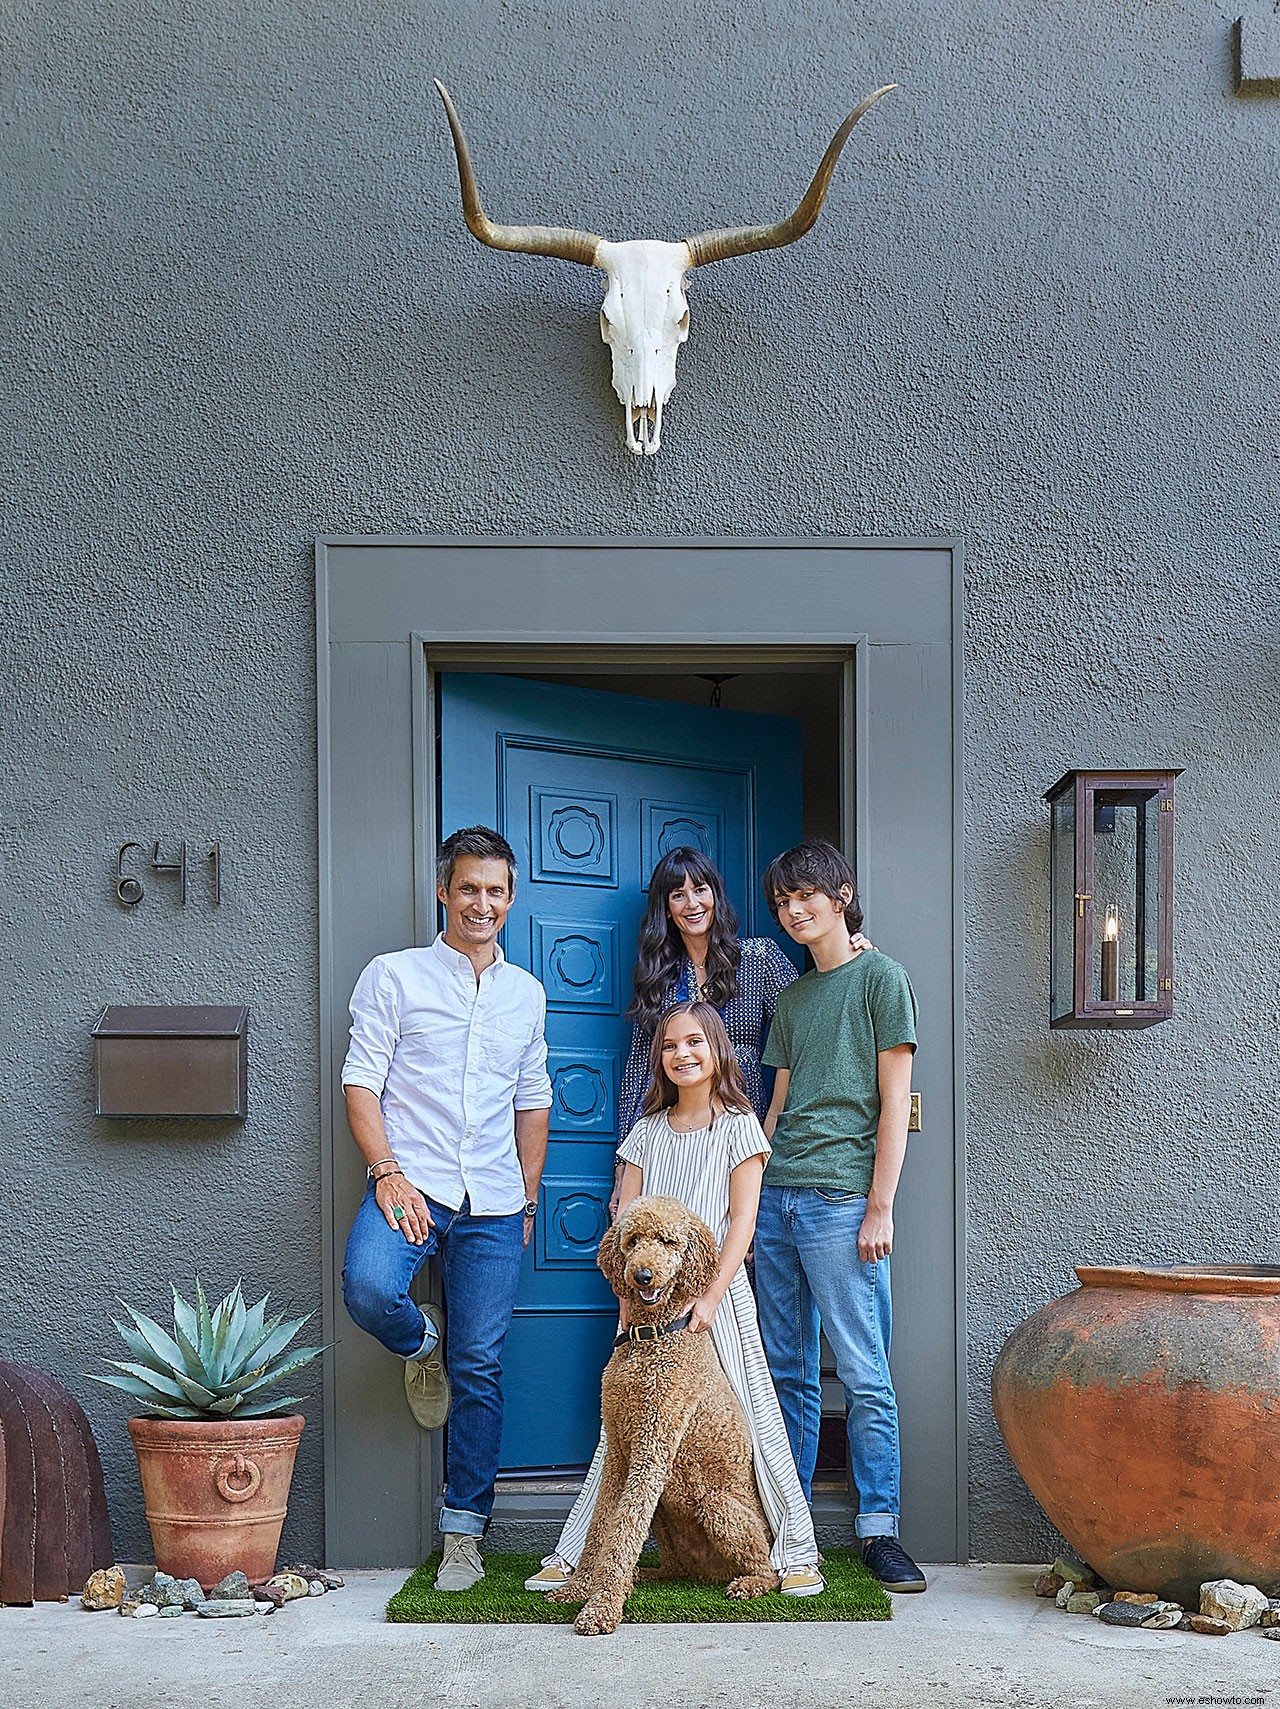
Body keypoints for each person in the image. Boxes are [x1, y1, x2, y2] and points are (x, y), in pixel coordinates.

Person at [525, 1000, 826, 1597]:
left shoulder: (739, 1129)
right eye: (669, 1046)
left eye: (694, 1043)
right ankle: (577, 1552)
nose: (682, 1054)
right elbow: (626, 1222)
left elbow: (742, 1221)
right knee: (623, 1434)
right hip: (645, 1308)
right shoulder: (645, 1133)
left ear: (717, 1051)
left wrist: (710, 1299)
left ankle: (795, 1552)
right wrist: (625, 1315)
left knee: (755, 1419)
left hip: (717, 1301)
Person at [339, 825, 552, 1593]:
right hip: (415, 1183)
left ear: (511, 896)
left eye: (495, 890)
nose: (482, 903)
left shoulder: (526, 993)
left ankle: (464, 1529)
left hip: (495, 1202)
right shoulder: (394, 977)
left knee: (482, 1365)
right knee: (368, 1288)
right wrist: (387, 1171)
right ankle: (419, 1338)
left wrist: (528, 1199)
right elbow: (361, 1081)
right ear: (443, 891)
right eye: (468, 888)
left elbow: (535, 1103)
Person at [755, 839, 927, 1594]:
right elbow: (777, 1107)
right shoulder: (792, 998)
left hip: (841, 1203)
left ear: (841, 895)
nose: (795, 909)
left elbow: (896, 1104)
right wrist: (744, 1181)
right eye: (784, 900)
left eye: (806, 895)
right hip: (777, 1200)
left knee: (864, 1373)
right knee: (786, 1371)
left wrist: (879, 1206)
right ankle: (791, 1524)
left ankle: (880, 1530)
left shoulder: (883, 979)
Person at [611, 847, 869, 1217]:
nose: (691, 903)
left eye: (700, 889)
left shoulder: (758, 958)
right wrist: (623, 1168)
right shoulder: (658, 979)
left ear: (715, 894)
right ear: (666, 908)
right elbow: (639, 1072)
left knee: (738, 1236)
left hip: (741, 1122)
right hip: (672, 1134)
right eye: (678, 895)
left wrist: (856, 951)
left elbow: (810, 1018)